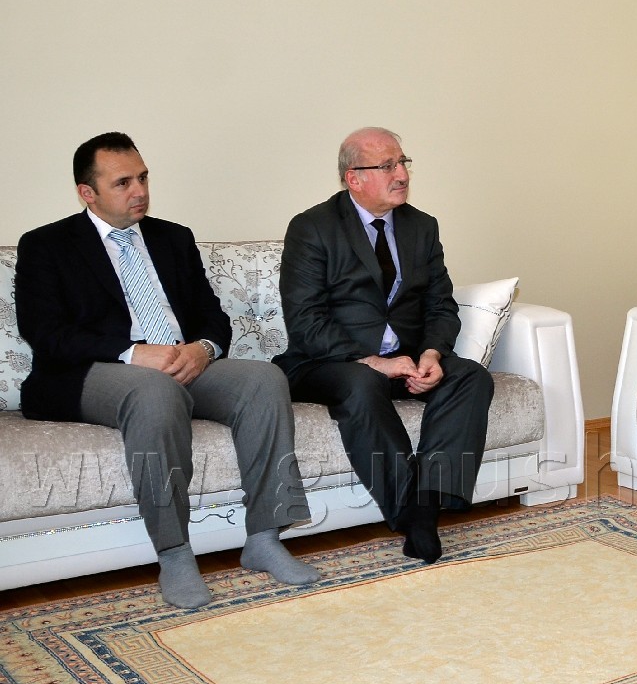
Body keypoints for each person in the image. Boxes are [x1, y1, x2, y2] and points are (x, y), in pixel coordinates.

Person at [15, 132, 318, 609]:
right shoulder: (46, 245)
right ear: (87, 192)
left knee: (263, 380)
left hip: (181, 362)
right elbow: (46, 333)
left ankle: (265, 537)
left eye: (143, 177)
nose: (139, 191)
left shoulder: (172, 237)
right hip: (93, 372)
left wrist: (203, 349)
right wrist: (133, 353)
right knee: (154, 392)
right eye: (123, 183)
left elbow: (212, 315)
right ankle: (175, 553)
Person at [274, 127, 493, 564]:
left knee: (470, 376)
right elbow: (305, 321)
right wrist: (375, 362)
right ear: (353, 178)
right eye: (388, 165)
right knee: (361, 383)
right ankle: (411, 513)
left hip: (406, 359)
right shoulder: (312, 228)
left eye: (403, 162)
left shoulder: (421, 226)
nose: (402, 174)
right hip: (328, 362)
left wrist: (431, 354)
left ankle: (427, 502)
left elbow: (441, 305)